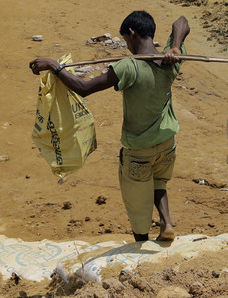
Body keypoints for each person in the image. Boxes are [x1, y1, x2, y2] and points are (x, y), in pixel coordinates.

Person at [29, 12, 191, 242]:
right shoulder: (170, 61)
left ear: (132, 34)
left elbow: (84, 88)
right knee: (159, 181)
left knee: (137, 206)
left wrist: (54, 66)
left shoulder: (129, 66)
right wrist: (176, 47)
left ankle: (141, 248)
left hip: (139, 151)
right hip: (167, 144)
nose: (127, 46)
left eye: (126, 40)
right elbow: (182, 22)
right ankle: (167, 222)